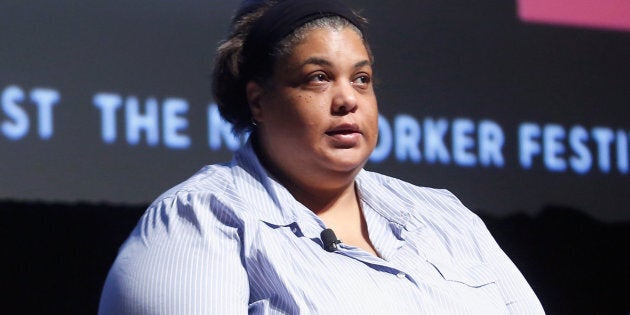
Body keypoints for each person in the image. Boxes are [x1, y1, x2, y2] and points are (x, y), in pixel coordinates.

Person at [98, 0, 545, 313]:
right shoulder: (201, 222)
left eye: (362, 78)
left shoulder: (445, 216)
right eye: (318, 78)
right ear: (258, 101)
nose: (348, 99)